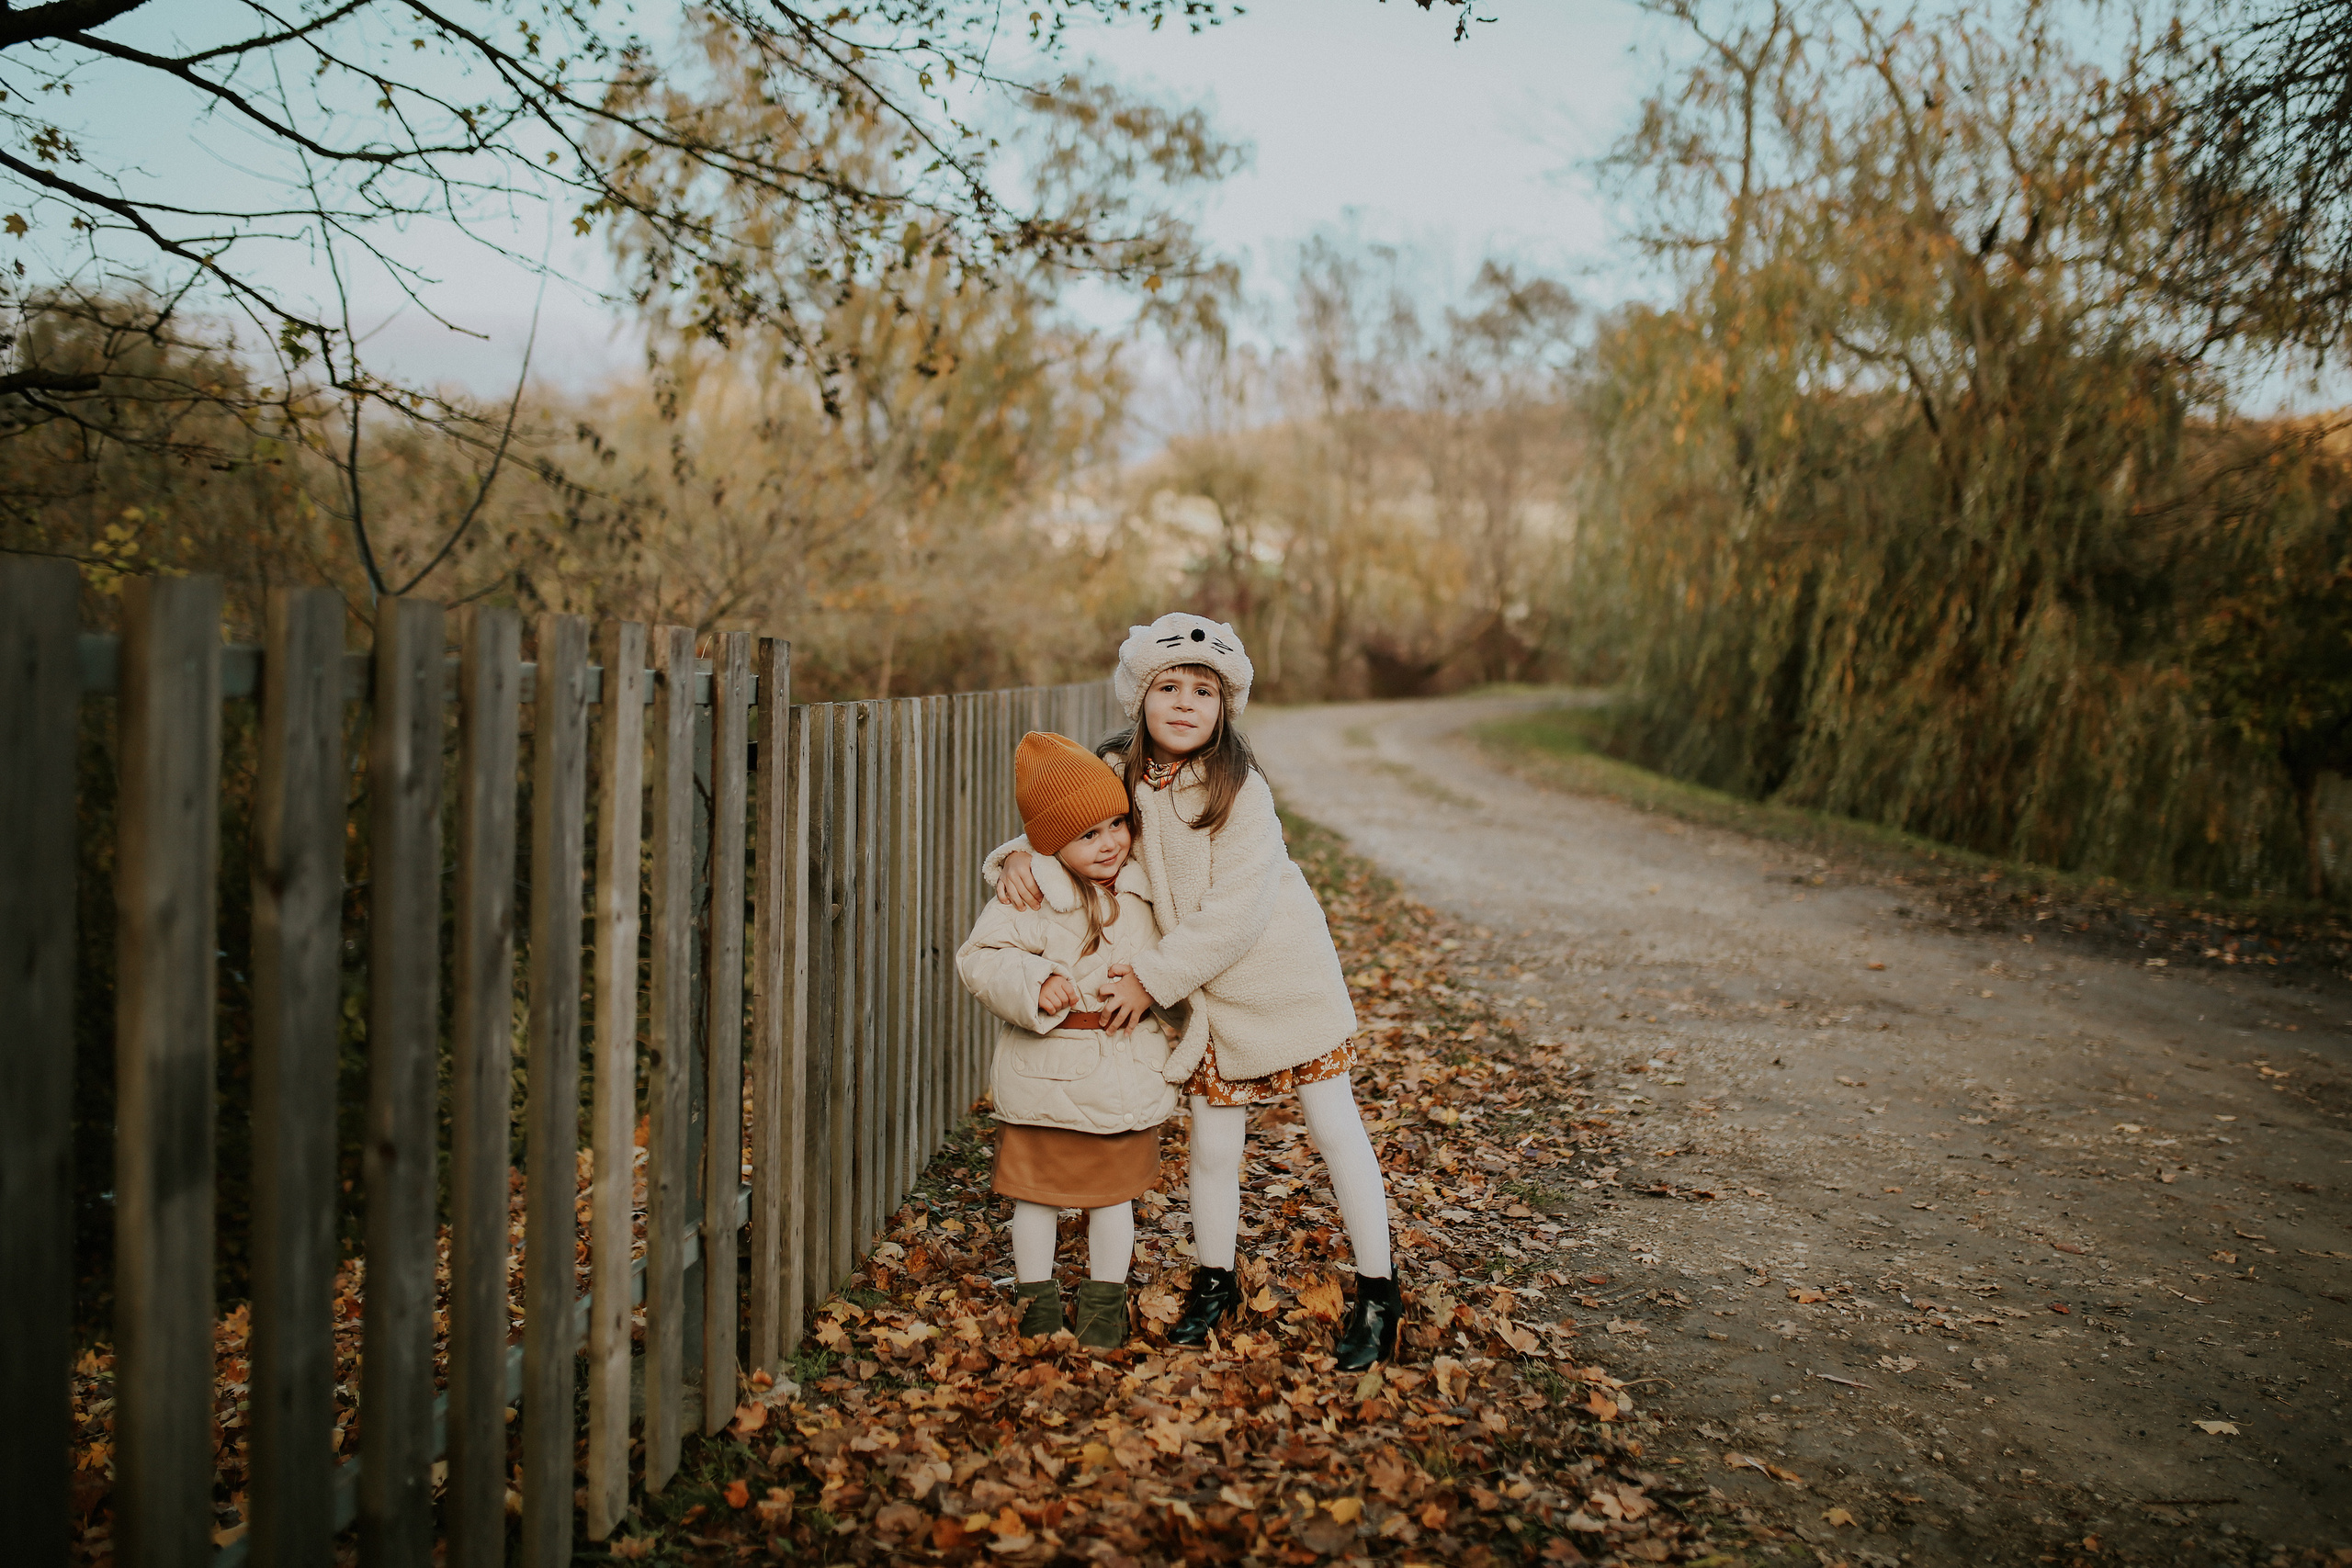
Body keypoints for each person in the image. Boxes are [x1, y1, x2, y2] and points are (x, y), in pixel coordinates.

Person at [989, 613, 1402, 1370]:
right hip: (1204, 995)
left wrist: (1149, 976)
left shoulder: (1241, 791)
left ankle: (1379, 1291)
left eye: (1202, 690)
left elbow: (1237, 912)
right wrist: (1012, 857)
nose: (1184, 702)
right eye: (1168, 686)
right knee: (1213, 1145)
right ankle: (1216, 1280)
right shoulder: (1119, 767)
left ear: (1225, 704)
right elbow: (1067, 815)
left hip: (1279, 976)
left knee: (1334, 1128)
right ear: (1141, 696)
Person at [956, 730, 1181, 1348]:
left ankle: (1105, 1301)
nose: (1109, 842)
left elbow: (1175, 959)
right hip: (1049, 1072)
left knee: (1113, 1197)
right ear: (1050, 843)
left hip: (1123, 1068)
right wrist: (1036, 980)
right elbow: (980, 958)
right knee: (1038, 1195)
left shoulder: (1144, 886)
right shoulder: (1030, 894)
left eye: (1116, 824)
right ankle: (1036, 1299)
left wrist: (1157, 991)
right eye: (1088, 834)